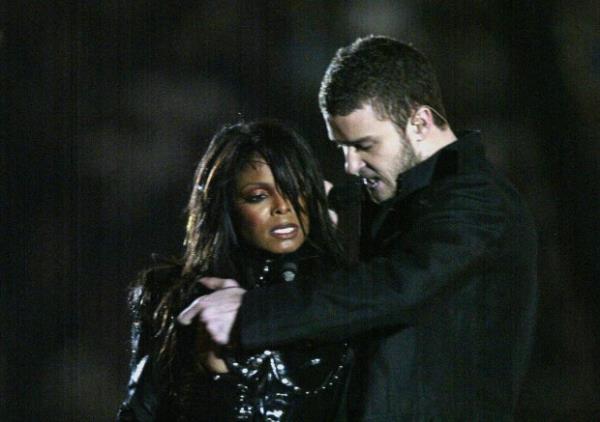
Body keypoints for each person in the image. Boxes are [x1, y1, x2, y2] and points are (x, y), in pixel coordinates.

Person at [193, 35, 538, 420]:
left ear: (420, 122)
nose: (351, 165)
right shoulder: (394, 200)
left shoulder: (480, 205)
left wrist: (251, 314)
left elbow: (395, 286)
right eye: (342, 148)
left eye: (364, 145)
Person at [117, 120, 353, 421]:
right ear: (226, 205)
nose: (283, 207)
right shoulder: (173, 296)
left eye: (295, 189)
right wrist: (212, 373)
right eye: (258, 196)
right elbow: (137, 415)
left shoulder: (343, 296)